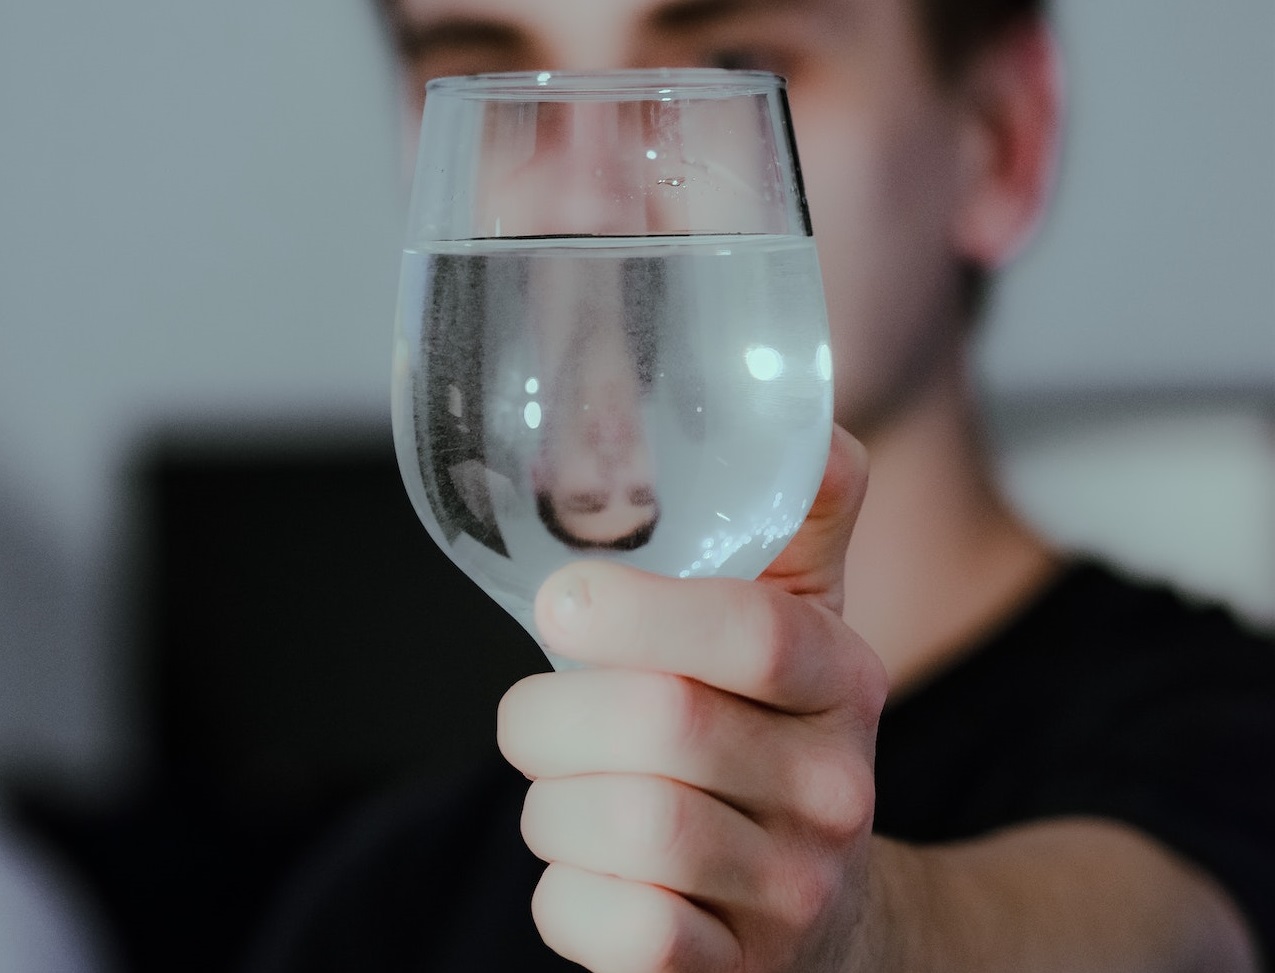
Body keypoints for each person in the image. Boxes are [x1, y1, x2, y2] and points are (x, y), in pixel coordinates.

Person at [250, 0, 1275, 969]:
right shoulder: (384, 903)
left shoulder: (1231, 735)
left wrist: (860, 937)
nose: (588, 205)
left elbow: (1176, 938)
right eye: (489, 77)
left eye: (732, 62)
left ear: (1002, 139)